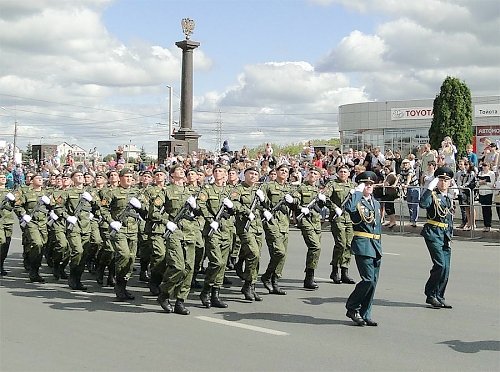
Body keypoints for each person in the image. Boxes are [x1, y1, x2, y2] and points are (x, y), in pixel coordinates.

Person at [344, 171, 382, 327]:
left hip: (376, 245)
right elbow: (349, 208)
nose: (369, 187)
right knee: (367, 279)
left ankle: (366, 313)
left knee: (373, 282)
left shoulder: (376, 203)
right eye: (366, 184)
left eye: (371, 184)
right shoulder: (356, 201)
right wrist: (357, 192)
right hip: (363, 244)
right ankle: (352, 307)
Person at [197, 164, 234, 308]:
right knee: (216, 262)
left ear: (225, 175)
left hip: (226, 230)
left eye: (221, 171)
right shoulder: (207, 189)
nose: (218, 173)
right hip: (212, 231)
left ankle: (215, 294)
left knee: (223, 264)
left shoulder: (231, 191)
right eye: (216, 171)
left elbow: (238, 207)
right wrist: (210, 220)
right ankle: (206, 291)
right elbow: (201, 204)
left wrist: (231, 207)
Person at [419, 167, 455, 309]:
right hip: (433, 233)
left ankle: (439, 295)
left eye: (446, 180)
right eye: (440, 180)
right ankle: (430, 294)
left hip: (445, 235)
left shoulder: (448, 197)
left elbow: (449, 218)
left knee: (446, 268)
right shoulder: (432, 195)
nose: (443, 183)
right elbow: (423, 204)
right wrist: (429, 189)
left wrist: (450, 235)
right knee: (440, 264)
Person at [230, 166, 266, 301]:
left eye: (256, 174)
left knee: (257, 257)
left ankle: (252, 285)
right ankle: (248, 284)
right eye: (250, 173)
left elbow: (264, 206)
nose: (253, 176)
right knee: (254, 253)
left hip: (257, 227)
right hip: (245, 227)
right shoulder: (238, 189)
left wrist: (263, 202)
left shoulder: (258, 190)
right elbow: (233, 205)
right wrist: (246, 211)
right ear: (244, 175)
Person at [260, 164, 294, 295]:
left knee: (282, 255)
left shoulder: (290, 188)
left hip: (284, 224)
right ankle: (267, 276)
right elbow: (259, 201)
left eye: (286, 171)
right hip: (272, 222)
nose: (284, 173)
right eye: (282, 170)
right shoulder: (268, 186)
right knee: (279, 252)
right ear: (277, 172)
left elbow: (297, 202)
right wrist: (264, 211)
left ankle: (274, 280)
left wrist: (293, 200)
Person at [291, 166, 326, 290]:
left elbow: (321, 206)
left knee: (316, 249)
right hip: (305, 220)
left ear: (318, 177)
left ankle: (310, 274)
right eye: (310, 172)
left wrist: (322, 201)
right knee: (315, 246)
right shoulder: (301, 187)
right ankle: (309, 277)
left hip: (316, 221)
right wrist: (301, 208)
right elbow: (294, 201)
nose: (312, 174)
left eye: (315, 173)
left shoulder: (319, 190)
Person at [323, 165, 356, 284]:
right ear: (337, 173)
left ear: (348, 174)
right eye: (341, 171)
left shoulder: (353, 185)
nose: (343, 173)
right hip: (337, 218)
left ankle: (344, 271)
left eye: (345, 172)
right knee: (341, 243)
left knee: (349, 244)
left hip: (350, 219)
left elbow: (359, 200)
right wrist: (334, 207)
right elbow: (325, 198)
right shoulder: (332, 184)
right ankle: (335, 270)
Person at [0, 172, 16, 275]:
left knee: (6, 244)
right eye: (1, 177)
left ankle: (1, 264)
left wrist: (13, 200)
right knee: (1, 241)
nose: (3, 179)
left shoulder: (10, 192)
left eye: (4, 177)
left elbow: (15, 206)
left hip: (8, 220)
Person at [477, 162, 496, 232]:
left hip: (488, 192)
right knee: (483, 209)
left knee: (488, 209)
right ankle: (485, 225)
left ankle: (488, 225)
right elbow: (477, 182)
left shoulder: (491, 173)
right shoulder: (480, 173)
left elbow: (492, 184)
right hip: (481, 192)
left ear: (489, 166)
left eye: (486, 166)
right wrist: (480, 182)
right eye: (483, 166)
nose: (484, 167)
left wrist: (485, 182)